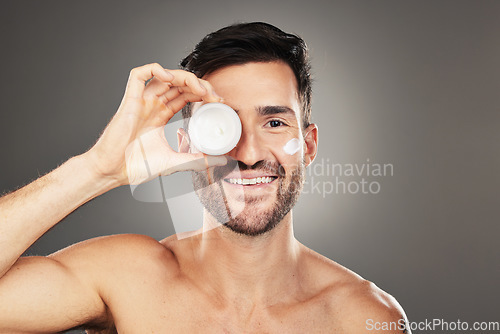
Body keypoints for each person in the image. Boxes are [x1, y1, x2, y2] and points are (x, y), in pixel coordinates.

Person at [0, 22, 410, 333]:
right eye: (223, 125)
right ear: (186, 144)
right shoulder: (128, 278)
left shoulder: (363, 317)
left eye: (274, 122)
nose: (248, 154)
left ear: (308, 145)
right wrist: (95, 170)